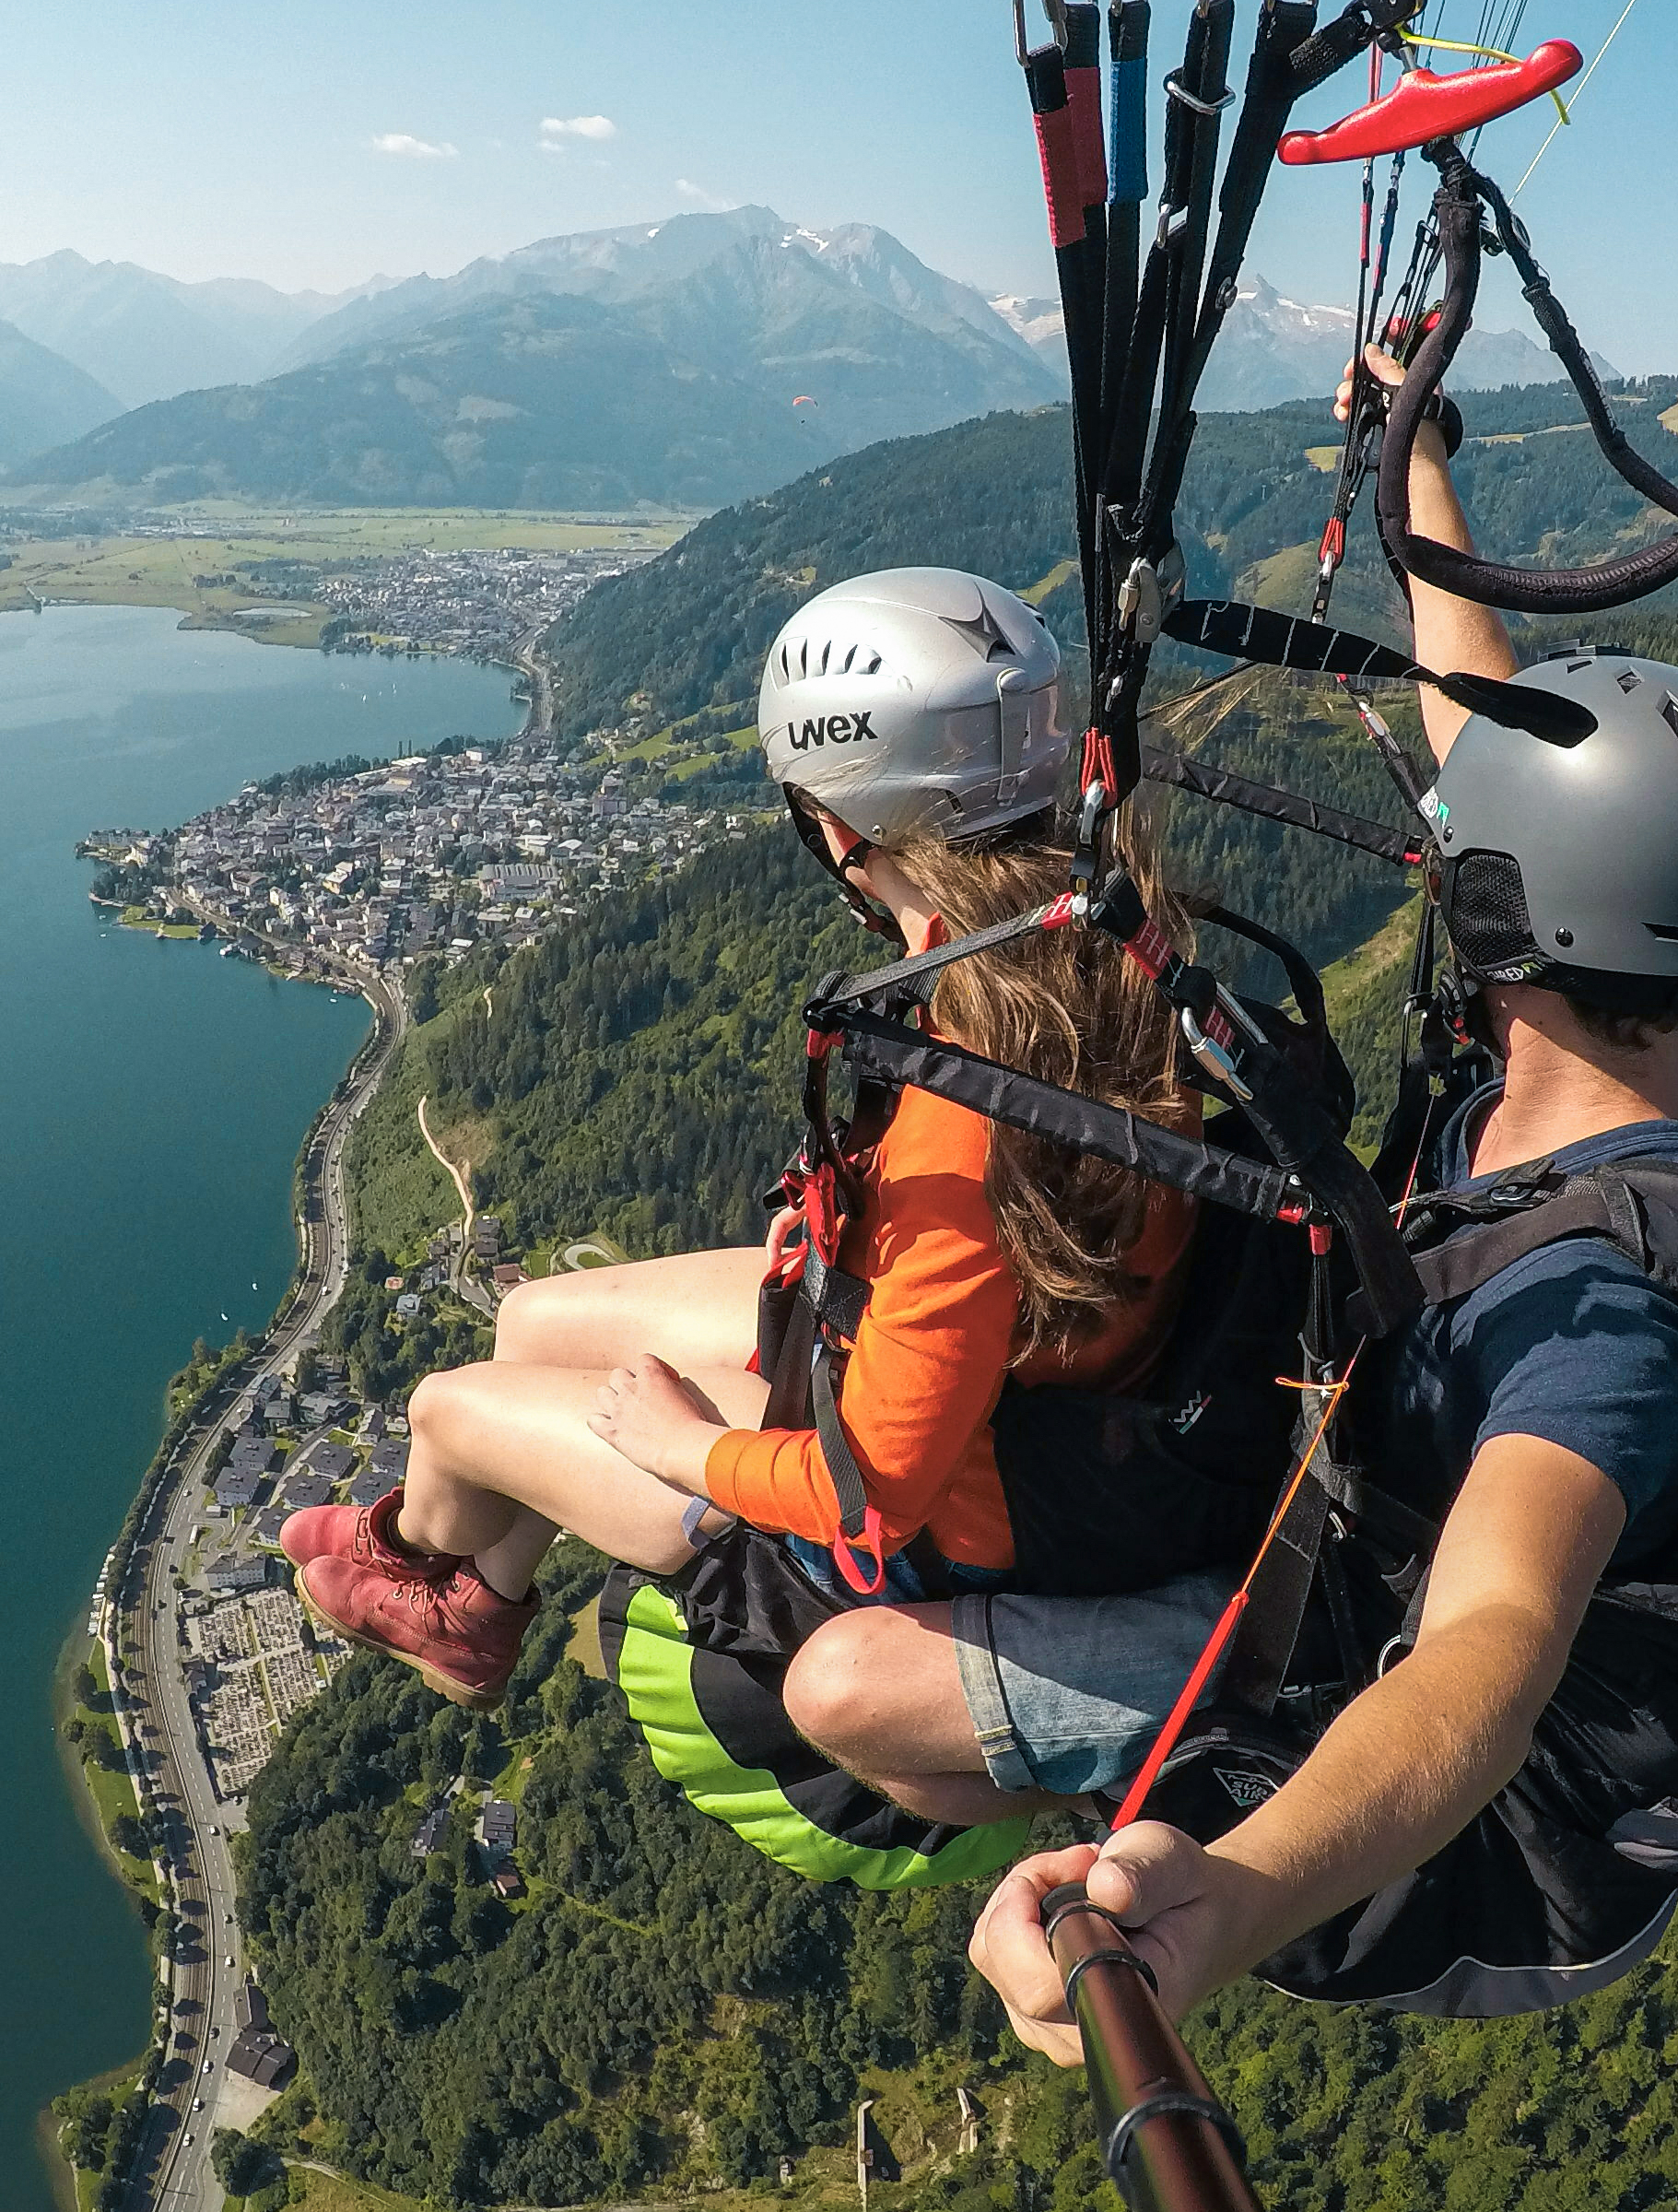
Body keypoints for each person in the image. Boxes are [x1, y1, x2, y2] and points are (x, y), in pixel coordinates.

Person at [773, 361, 1678, 2047]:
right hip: (1317, 1491)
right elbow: (1477, 720)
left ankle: (1082, 1758)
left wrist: (1244, 1891)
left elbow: (1487, 1644)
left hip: (1367, 1679)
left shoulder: (1614, 1318)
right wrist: (1413, 459)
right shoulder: (1565, 1065)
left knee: (842, 1687)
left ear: (1496, 908)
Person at [274, 567, 1203, 1724]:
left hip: (955, 1510)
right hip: (1027, 1387)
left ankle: (417, 1559)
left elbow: (872, 1502)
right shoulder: (1095, 942)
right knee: (527, 1323)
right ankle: (458, 1590)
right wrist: (858, 1226)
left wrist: (683, 1452)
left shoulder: (973, 1121)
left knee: (448, 1410)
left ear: (837, 823)